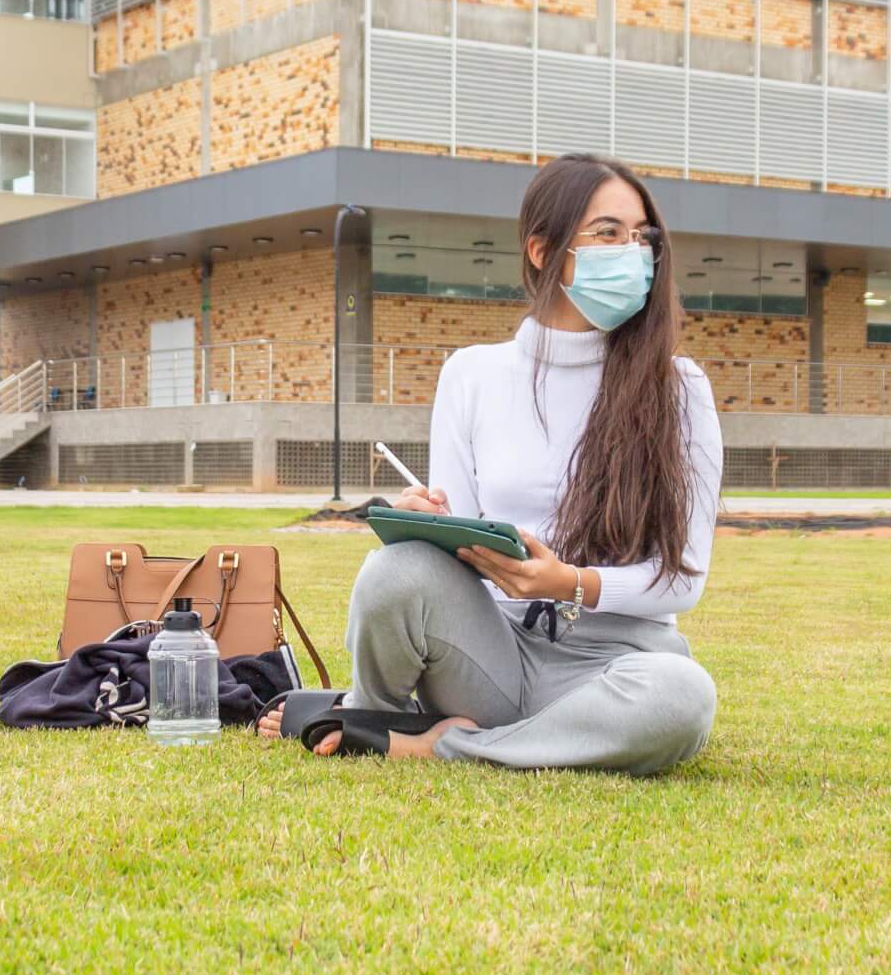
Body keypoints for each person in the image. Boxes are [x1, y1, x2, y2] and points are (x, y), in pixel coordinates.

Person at [259, 152, 722, 771]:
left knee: (683, 697)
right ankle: (377, 710)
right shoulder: (472, 373)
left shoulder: (679, 387)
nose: (632, 253)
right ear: (542, 250)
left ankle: (425, 744)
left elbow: (682, 581)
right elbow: (461, 551)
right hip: (493, 658)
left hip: (617, 665)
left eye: (643, 238)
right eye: (609, 233)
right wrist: (429, 526)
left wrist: (571, 584)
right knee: (394, 569)